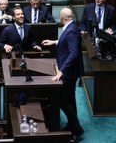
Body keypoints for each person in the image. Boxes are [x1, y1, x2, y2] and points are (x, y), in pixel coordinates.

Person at [41, 8, 84, 143]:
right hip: (71, 72)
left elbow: (73, 53)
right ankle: (72, 125)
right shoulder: (72, 26)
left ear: (61, 17)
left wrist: (62, 71)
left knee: (62, 101)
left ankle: (77, 129)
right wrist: (55, 42)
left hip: (69, 73)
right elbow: (67, 42)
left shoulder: (70, 30)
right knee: (70, 99)